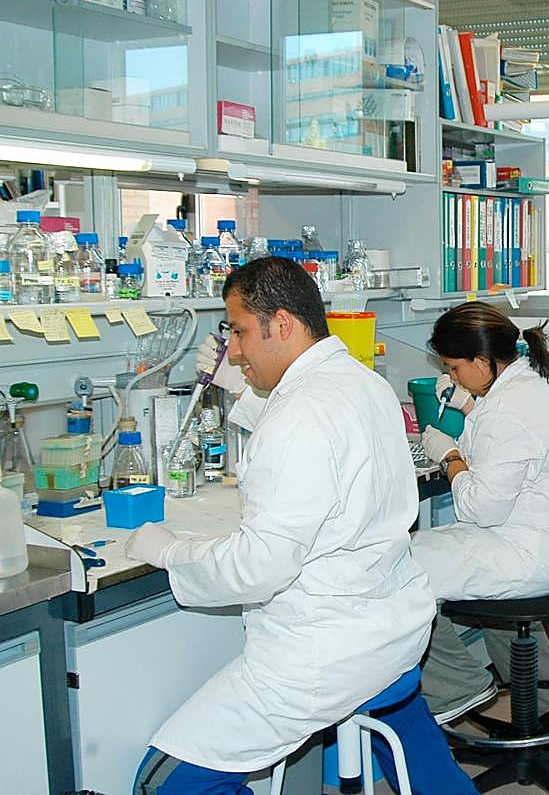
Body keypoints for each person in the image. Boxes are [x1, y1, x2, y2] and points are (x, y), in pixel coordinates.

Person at [126, 257, 475, 795]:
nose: (234, 350)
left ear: (282, 324)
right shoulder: (364, 383)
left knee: (165, 782)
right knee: (406, 729)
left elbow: (259, 566)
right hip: (394, 631)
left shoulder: (300, 415)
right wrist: (240, 396)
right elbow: (320, 443)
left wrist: (173, 552)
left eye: (240, 332)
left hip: (323, 653)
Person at [412, 302, 549, 722]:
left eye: (454, 368)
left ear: (482, 361)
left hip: (531, 550)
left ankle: (459, 686)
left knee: (389, 567)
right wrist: (470, 406)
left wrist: (450, 456)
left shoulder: (510, 409)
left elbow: (480, 507)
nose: (452, 375)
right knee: (445, 565)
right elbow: (515, 442)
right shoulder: (532, 380)